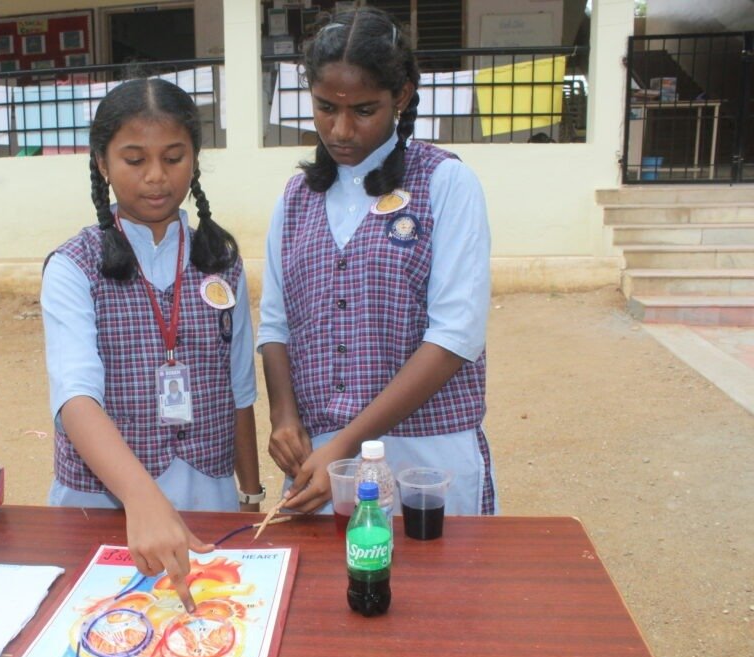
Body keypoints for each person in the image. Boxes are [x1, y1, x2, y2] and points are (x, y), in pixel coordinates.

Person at [257, 7, 497, 517]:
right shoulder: (295, 198)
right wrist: (284, 417)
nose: (341, 129)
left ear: (401, 96)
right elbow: (276, 324)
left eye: (364, 110)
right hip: (322, 460)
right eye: (325, 108)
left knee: (437, 571)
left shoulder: (444, 183)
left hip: (427, 460)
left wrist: (347, 444)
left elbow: (455, 336)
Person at [42, 78, 262, 610]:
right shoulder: (73, 267)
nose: (157, 176)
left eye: (174, 157)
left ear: (195, 159)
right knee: (109, 627)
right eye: (135, 159)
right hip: (102, 504)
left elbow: (240, 390)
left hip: (208, 497)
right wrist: (141, 498)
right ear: (102, 162)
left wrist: (250, 496)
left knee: (208, 624)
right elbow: (76, 398)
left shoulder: (221, 260)